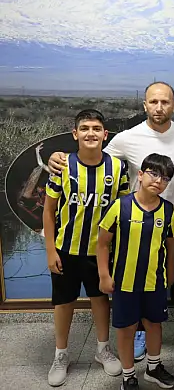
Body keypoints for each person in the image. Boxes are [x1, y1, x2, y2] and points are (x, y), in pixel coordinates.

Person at [48, 82, 174, 358]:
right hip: (136, 226)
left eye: (165, 102)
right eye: (153, 102)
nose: (159, 107)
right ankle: (139, 332)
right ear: (145, 105)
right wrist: (58, 155)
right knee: (136, 280)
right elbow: (93, 157)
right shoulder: (127, 138)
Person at [43, 110, 128, 387]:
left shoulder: (118, 168)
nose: (91, 133)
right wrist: (50, 250)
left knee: (100, 299)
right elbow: (48, 210)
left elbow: (123, 210)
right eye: (85, 128)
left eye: (96, 128)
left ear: (105, 134)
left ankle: (103, 349)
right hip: (66, 249)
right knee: (64, 301)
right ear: (75, 134)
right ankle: (61, 354)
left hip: (101, 251)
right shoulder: (63, 166)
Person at [96, 153, 174, 390]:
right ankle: (128, 375)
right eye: (154, 174)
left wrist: (170, 272)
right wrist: (104, 275)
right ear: (141, 175)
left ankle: (153, 368)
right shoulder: (120, 206)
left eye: (165, 178)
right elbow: (102, 244)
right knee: (127, 329)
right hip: (125, 282)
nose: (158, 181)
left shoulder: (168, 211)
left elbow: (172, 245)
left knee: (154, 324)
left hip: (155, 281)